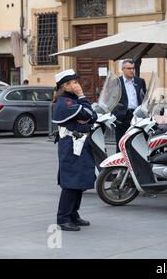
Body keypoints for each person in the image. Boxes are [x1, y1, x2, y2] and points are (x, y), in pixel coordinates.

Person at [52, 69, 98, 231]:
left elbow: (92, 116)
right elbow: (89, 113)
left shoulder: (72, 100)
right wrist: (82, 97)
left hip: (80, 141)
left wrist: (86, 117)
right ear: (65, 86)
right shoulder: (66, 102)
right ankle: (63, 217)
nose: (76, 85)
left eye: (76, 82)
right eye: (72, 83)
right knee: (71, 181)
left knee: (79, 181)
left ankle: (73, 214)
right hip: (71, 144)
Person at [113, 59, 147, 153]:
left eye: (133, 68)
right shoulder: (116, 82)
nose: (132, 70)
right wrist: (115, 115)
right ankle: (120, 166)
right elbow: (111, 100)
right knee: (121, 143)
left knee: (136, 142)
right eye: (129, 68)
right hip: (122, 117)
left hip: (137, 116)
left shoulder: (140, 81)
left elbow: (145, 97)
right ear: (123, 69)